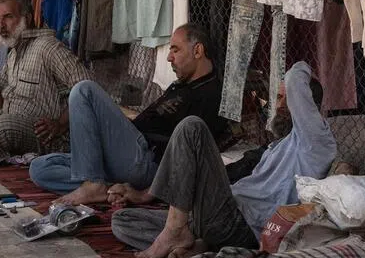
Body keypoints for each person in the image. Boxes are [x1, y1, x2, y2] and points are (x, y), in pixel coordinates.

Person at [111, 62, 337, 258]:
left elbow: (296, 77)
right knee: (123, 221)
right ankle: (196, 243)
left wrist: (308, 67)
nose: (279, 106)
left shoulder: (315, 143)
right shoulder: (276, 147)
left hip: (241, 224)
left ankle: (175, 232)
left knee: (191, 128)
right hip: (219, 215)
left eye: (286, 99)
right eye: (278, 98)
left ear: (307, 106)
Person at [28, 23, 227, 205]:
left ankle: (93, 185)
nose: (169, 57)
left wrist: (148, 194)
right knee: (39, 168)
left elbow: (191, 157)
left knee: (84, 90)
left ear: (198, 50)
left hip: (147, 161)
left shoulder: (210, 94)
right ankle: (108, 188)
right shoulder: (180, 85)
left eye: (175, 49)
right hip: (127, 156)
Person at [0, 0, 90, 156]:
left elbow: (87, 87)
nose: (1, 25)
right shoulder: (13, 54)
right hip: (13, 122)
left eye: (8, 17)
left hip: (47, 134)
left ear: (27, 19)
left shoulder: (48, 48)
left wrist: (60, 124)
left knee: (3, 126)